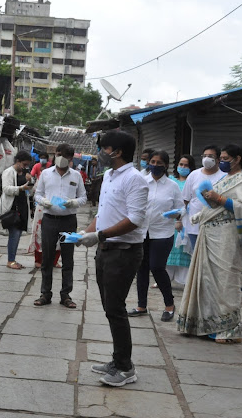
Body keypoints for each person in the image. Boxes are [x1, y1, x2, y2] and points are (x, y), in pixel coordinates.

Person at [78, 129, 148, 387]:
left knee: (116, 309)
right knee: (109, 308)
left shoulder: (135, 180)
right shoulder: (108, 176)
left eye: (103, 148)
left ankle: (125, 367)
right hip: (105, 249)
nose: (100, 153)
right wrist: (85, 233)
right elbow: (105, 210)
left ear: (116, 152)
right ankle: (117, 359)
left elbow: (134, 220)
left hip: (123, 252)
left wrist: (100, 235)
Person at [177, 144, 242, 344]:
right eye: (221, 158)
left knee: (226, 281)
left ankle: (228, 329)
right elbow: (214, 207)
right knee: (207, 281)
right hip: (209, 235)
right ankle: (204, 324)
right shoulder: (224, 179)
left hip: (228, 238)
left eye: (225, 158)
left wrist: (219, 198)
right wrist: (202, 212)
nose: (222, 161)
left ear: (238, 159)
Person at [128, 151, 183, 322]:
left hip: (163, 233)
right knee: (141, 268)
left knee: (157, 267)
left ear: (166, 165)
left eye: (160, 162)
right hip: (142, 232)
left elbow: (181, 209)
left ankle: (169, 304)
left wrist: (174, 214)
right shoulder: (142, 182)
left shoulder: (172, 186)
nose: (155, 165)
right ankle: (141, 305)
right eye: (152, 161)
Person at [33, 143, 88, 309]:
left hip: (68, 220)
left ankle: (66, 295)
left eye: (64, 155)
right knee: (47, 257)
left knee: (68, 258)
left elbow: (83, 197)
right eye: (58, 154)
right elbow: (37, 193)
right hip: (49, 218)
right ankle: (45, 293)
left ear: (70, 158)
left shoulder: (76, 176)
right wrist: (44, 202)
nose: (60, 158)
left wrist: (73, 202)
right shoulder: (46, 174)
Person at [181, 145, 226, 248]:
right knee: (196, 258)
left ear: (218, 159)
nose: (206, 159)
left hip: (216, 226)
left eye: (210, 156)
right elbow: (185, 200)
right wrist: (180, 220)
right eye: (204, 156)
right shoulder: (194, 175)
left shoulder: (224, 176)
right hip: (195, 227)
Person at [0, 151, 32, 269]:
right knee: (14, 234)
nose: (25, 167)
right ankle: (10, 260)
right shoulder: (8, 172)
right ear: (18, 161)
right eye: (24, 164)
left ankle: (12, 259)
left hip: (22, 206)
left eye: (27, 165)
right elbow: (6, 189)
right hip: (12, 207)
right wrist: (22, 188)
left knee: (17, 234)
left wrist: (31, 182)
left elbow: (30, 190)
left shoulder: (25, 173)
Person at [165, 154, 196, 286]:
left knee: (184, 248)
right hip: (171, 220)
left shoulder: (192, 182)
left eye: (186, 165)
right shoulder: (171, 181)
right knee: (169, 248)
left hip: (187, 220)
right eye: (181, 164)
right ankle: (165, 278)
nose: (183, 167)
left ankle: (184, 280)